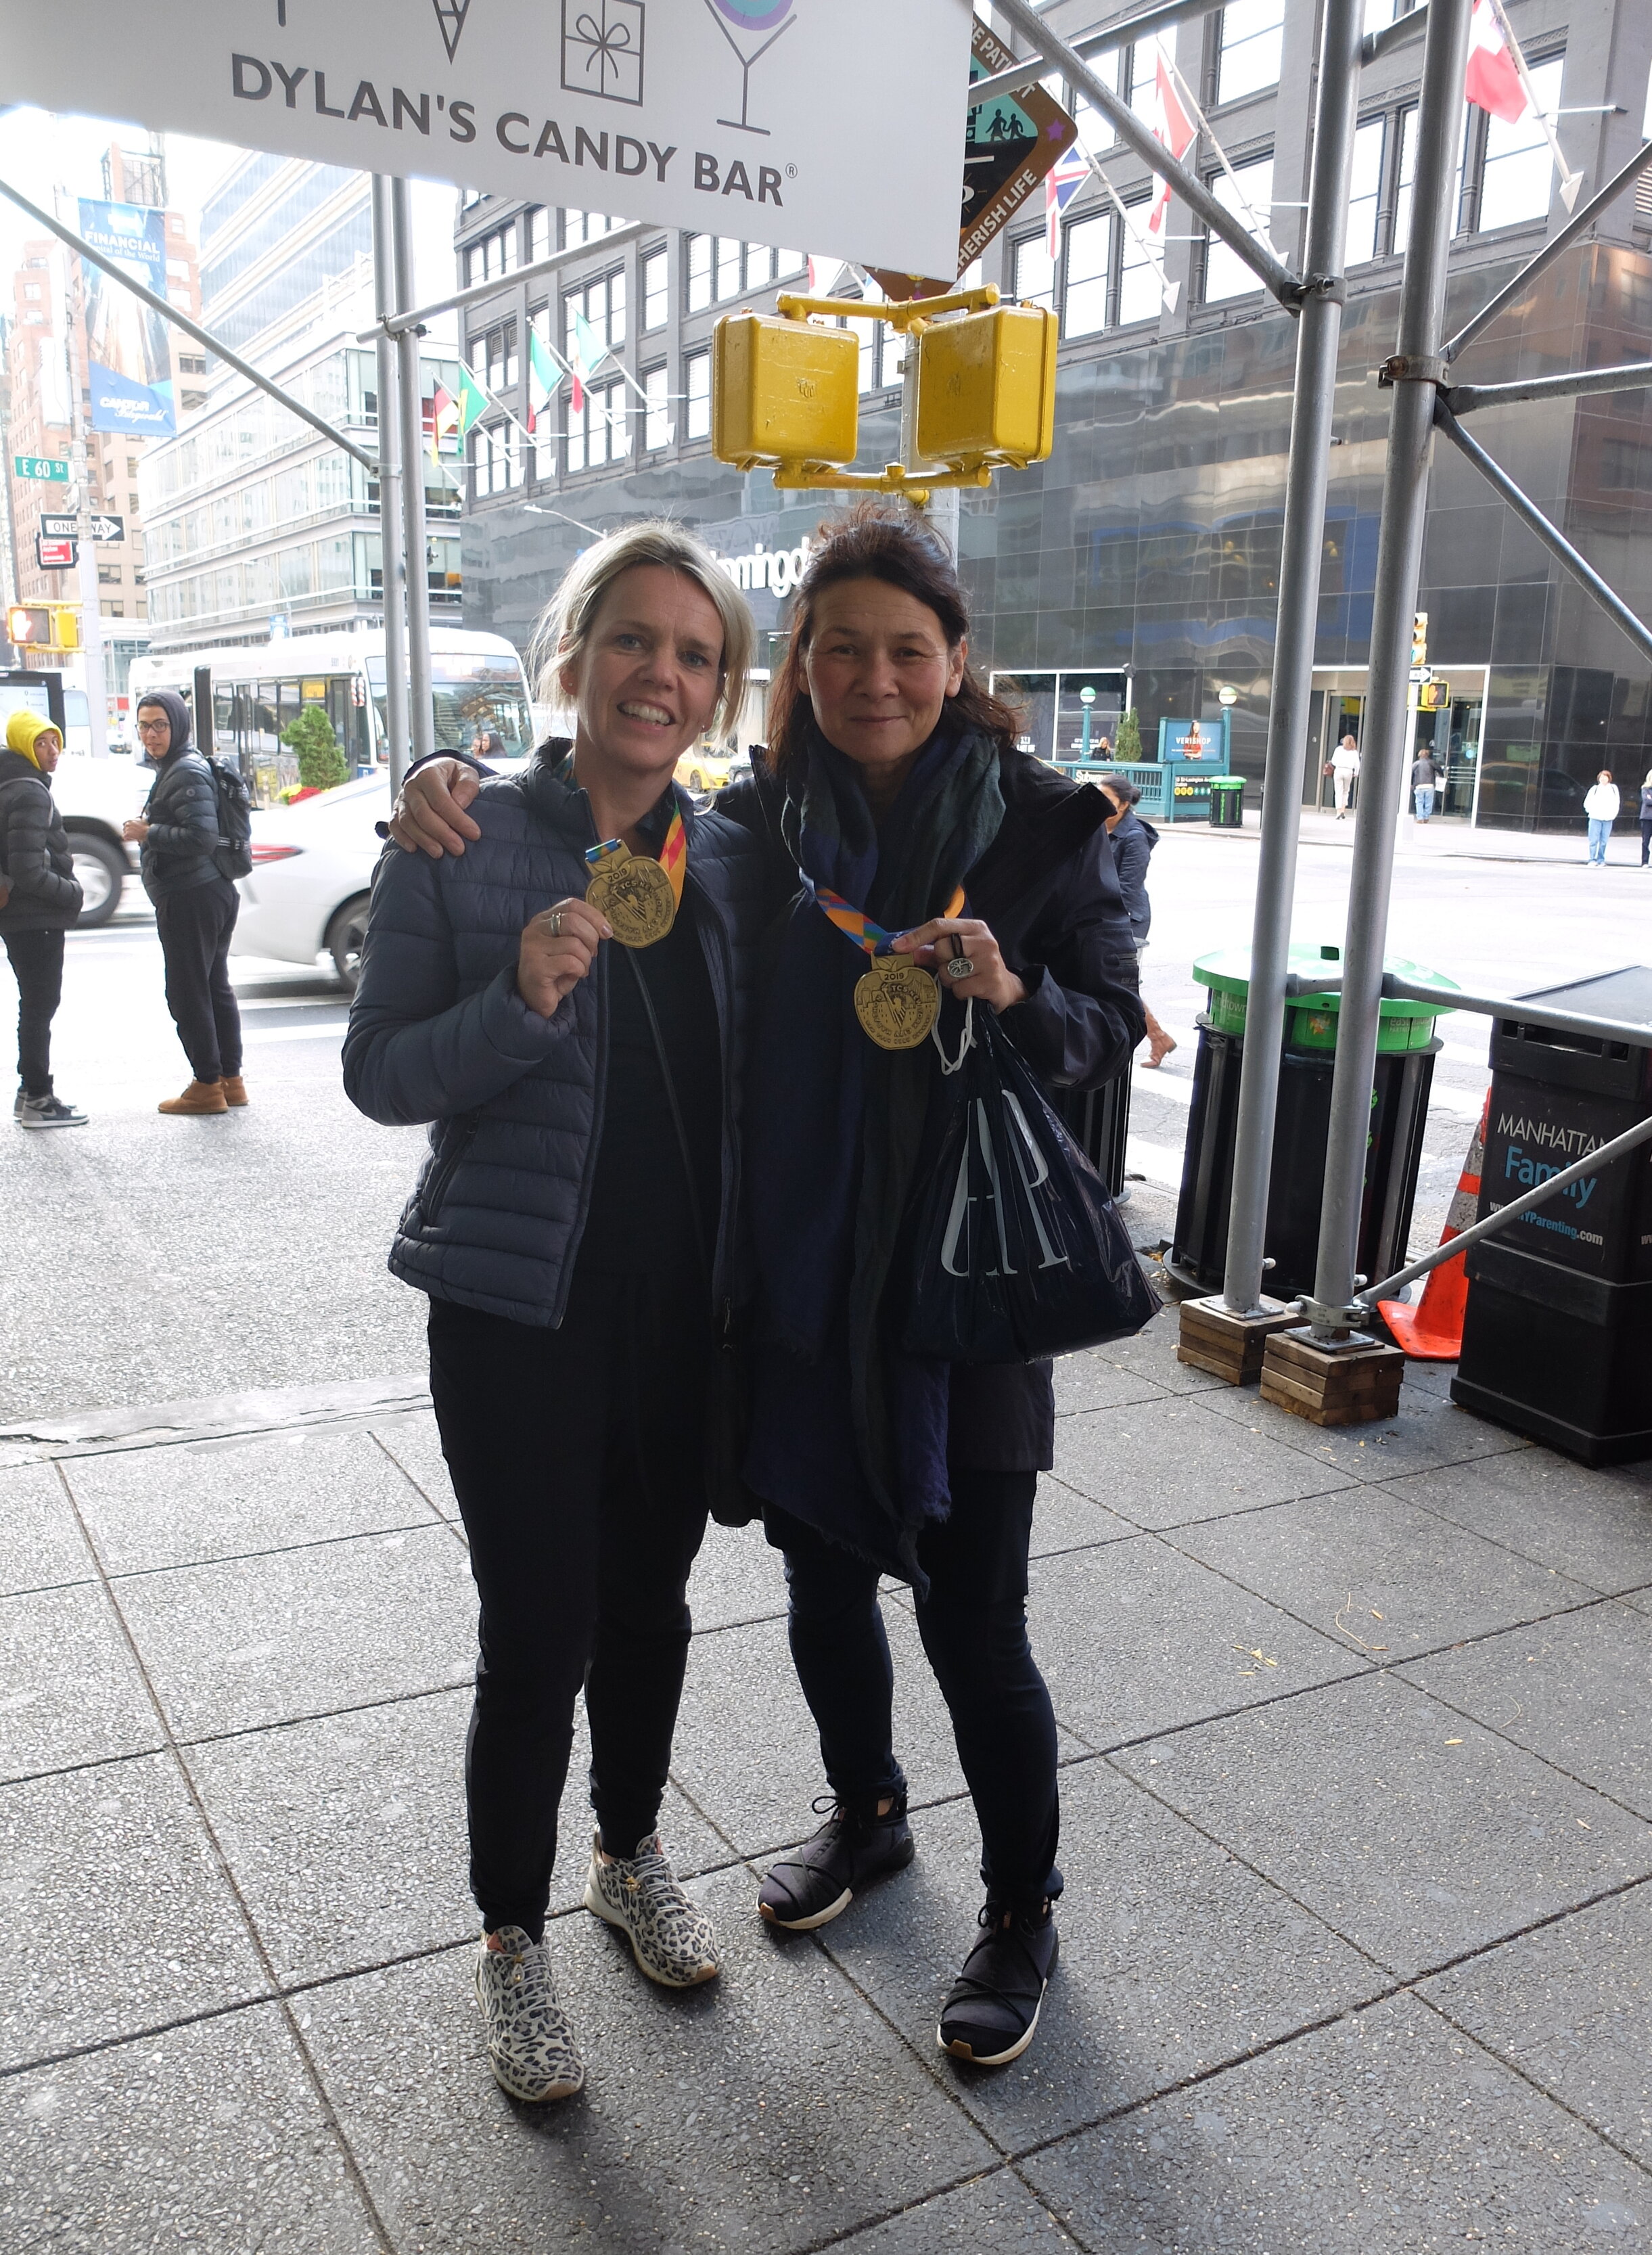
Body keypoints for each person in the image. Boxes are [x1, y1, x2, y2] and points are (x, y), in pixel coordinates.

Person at [390, 505, 1145, 2074]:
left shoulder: (1032, 827)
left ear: (954, 666)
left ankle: (1015, 1908)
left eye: (909, 650)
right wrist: (441, 801)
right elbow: (415, 1035)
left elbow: (1101, 1033)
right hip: (726, 1297)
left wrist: (1012, 985)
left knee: (965, 1620)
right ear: (797, 668)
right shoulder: (759, 829)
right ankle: (827, 1827)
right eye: (842, 647)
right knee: (744, 1601)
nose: (877, 676)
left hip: (930, 1296)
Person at [344, 524, 763, 2108]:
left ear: (716, 690)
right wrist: (511, 1002)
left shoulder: (725, 860)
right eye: (635, 640)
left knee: (650, 1608)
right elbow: (382, 1075)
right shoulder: (459, 843)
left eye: (695, 652)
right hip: (515, 1308)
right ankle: (512, 1942)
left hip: (678, 1317)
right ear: (573, 659)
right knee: (538, 1631)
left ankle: (629, 1852)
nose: (662, 671)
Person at [123, 691, 246, 1115]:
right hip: (209, 892)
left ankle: (207, 1085)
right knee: (212, 987)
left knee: (188, 992)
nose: (151, 734)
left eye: (160, 725)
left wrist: (148, 833)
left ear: (177, 725)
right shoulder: (179, 767)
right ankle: (231, 1081)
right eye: (144, 726)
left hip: (192, 894)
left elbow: (201, 838)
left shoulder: (184, 771)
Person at [0, 710, 87, 1128]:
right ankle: (38, 1097)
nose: (52, 751)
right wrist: (73, 893)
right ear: (22, 746)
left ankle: (27, 1093)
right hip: (36, 917)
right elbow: (29, 870)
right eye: (41, 743)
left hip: (17, 916)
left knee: (32, 1005)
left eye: (55, 741)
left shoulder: (9, 782)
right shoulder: (30, 791)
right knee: (39, 1006)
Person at [1096, 776, 1176, 1066]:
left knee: (1122, 984)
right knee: (1120, 983)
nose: (1100, 802)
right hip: (1100, 916)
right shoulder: (1099, 827)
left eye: (1107, 798)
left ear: (1124, 804)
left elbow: (1128, 888)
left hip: (1127, 919)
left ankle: (1155, 1037)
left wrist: (1109, 926)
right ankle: (1158, 1037)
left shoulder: (1134, 837)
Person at [1584, 769, 1620, 865]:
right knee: (1593, 840)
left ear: (1609, 779)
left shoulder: (1613, 788)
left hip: (1608, 818)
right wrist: (1590, 811)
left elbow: (1617, 802)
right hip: (1595, 817)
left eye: (1605, 777)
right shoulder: (1595, 789)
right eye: (1602, 777)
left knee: (1604, 841)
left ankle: (1601, 859)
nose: (1603, 779)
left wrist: (1613, 814)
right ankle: (1592, 859)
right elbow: (1587, 802)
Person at [1331, 733, 1360, 819]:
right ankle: (1343, 810)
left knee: (1338, 791)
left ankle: (1338, 812)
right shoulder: (1354, 752)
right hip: (1349, 771)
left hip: (1339, 770)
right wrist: (1357, 772)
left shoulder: (1339, 749)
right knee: (1346, 791)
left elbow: (1333, 761)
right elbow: (1357, 764)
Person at [1410, 750, 1441, 823]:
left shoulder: (1416, 764)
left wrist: (1411, 784)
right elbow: (1439, 769)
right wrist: (1441, 776)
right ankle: (1426, 817)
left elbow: (1410, 774)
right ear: (1427, 755)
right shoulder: (1431, 763)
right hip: (1429, 785)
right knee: (1429, 802)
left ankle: (1420, 818)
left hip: (1418, 785)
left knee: (1419, 802)